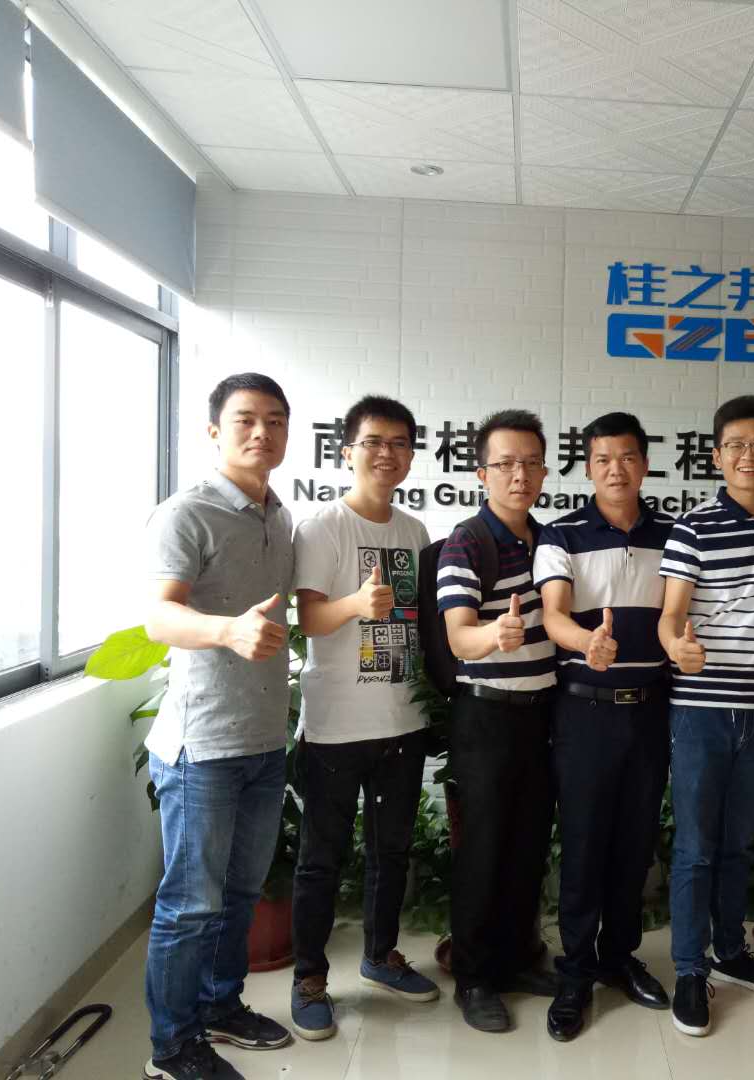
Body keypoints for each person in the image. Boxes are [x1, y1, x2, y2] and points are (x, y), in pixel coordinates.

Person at [141, 373, 296, 1080]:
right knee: (190, 905)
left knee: (239, 895)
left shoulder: (279, 516)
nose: (262, 432)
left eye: (275, 420)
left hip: (264, 741)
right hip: (201, 746)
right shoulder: (186, 513)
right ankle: (172, 1047)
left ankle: (220, 1006)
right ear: (214, 432)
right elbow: (159, 616)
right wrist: (227, 630)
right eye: (245, 420)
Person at [287, 395, 438, 1042]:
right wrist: (354, 604)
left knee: (391, 852)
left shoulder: (415, 532)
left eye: (400, 443)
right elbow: (309, 619)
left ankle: (380, 956)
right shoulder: (322, 528)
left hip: (401, 721)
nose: (387, 454)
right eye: (374, 441)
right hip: (335, 728)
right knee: (321, 859)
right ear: (347, 451)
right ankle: (309, 978)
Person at [658, 394, 754, 1038]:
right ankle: (691, 969)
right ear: (717, 456)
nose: (749, 456)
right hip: (702, 712)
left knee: (739, 842)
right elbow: (670, 615)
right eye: (736, 445)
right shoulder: (693, 528)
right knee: (696, 848)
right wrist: (677, 647)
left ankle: (730, 951)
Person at [532, 412, 676, 1041]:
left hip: (650, 709)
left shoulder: (672, 535)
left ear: (644, 463)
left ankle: (619, 957)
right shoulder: (561, 534)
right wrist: (585, 641)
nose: (615, 470)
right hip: (584, 710)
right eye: (602, 459)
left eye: (627, 457)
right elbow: (554, 614)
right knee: (585, 841)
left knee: (635, 841)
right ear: (587, 467)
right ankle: (574, 972)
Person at [436, 409, 560, 1033]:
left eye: (531, 463)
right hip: (486, 717)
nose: (520, 475)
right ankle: (475, 976)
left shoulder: (551, 541)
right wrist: (495, 634)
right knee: (483, 850)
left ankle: (516, 959)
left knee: (528, 845)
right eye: (506, 463)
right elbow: (459, 637)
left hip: (542, 717)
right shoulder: (467, 541)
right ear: (482, 472)